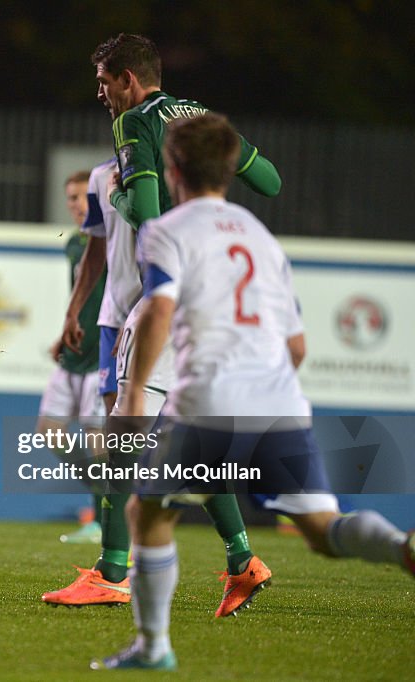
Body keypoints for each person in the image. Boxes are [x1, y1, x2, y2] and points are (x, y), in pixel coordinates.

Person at [92, 113, 415, 671]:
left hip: (210, 396)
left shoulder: (166, 230)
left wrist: (133, 395)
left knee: (150, 511)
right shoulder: (260, 236)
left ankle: (153, 647)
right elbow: (296, 345)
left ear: (172, 169)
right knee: (322, 530)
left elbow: (158, 311)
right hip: (281, 401)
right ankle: (401, 549)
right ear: (230, 171)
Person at [52, 33, 281, 614]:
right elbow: (272, 181)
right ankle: (242, 560)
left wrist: (126, 194)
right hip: (214, 304)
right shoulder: (203, 119)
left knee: (120, 440)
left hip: (162, 303)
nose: (100, 93)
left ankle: (111, 573)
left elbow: (151, 223)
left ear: (128, 78)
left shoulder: (135, 125)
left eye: (105, 81)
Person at [36, 171, 107, 546]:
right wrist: (66, 331)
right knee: (49, 431)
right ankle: (106, 489)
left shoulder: (112, 242)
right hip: (74, 354)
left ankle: (100, 520)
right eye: (70, 198)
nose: (76, 205)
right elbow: (80, 297)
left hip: (102, 356)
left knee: (98, 439)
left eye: (82, 197)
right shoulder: (75, 245)